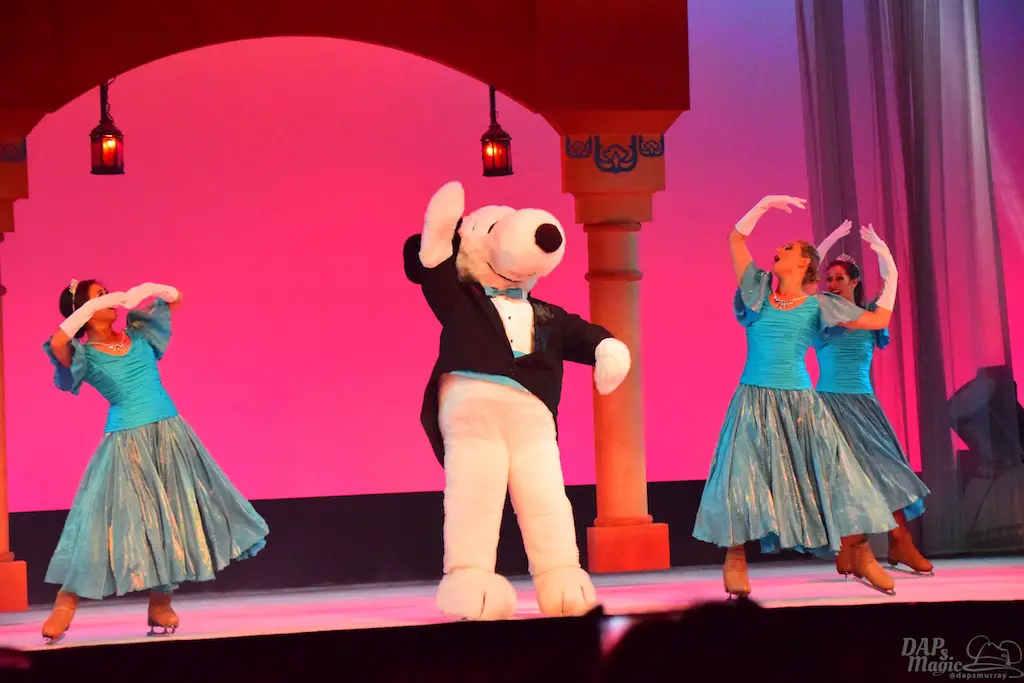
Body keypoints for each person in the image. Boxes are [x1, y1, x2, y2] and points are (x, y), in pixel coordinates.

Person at [692, 195, 901, 598]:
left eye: (788, 248)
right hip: (753, 401)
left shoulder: (820, 306)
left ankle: (860, 552)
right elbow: (736, 239)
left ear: (805, 262)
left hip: (802, 405)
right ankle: (735, 558)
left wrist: (888, 264)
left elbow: (880, 318)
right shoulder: (757, 292)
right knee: (740, 476)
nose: (778, 249)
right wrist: (762, 205)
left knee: (837, 474)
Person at [40, 279, 269, 644]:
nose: (111, 299)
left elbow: (176, 298)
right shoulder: (86, 355)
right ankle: (65, 603)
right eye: (100, 296)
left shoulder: (139, 334)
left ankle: (160, 602)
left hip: (170, 435)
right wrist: (88, 310)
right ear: (83, 310)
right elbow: (57, 343)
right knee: (99, 524)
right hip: (127, 441)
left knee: (172, 516)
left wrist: (149, 288)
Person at [813, 225, 933, 576]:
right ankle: (849, 545)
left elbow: (891, 281)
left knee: (887, 468)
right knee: (841, 477)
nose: (832, 283)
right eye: (829, 278)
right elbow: (806, 276)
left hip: (864, 404)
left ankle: (900, 540)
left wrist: (883, 251)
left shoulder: (871, 315)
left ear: (854, 282)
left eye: (839, 278)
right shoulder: (821, 311)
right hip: (830, 405)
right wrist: (828, 242)